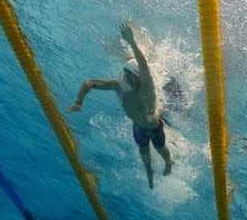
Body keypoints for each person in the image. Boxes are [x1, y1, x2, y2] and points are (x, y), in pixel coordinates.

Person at [69, 24, 172, 189]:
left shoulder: (147, 86)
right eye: (130, 76)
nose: (132, 79)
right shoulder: (119, 86)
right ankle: (149, 172)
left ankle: (168, 162)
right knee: (144, 153)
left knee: (160, 148)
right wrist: (79, 101)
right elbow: (90, 83)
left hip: (153, 125)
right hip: (138, 126)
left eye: (134, 77)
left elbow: (143, 64)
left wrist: (132, 42)